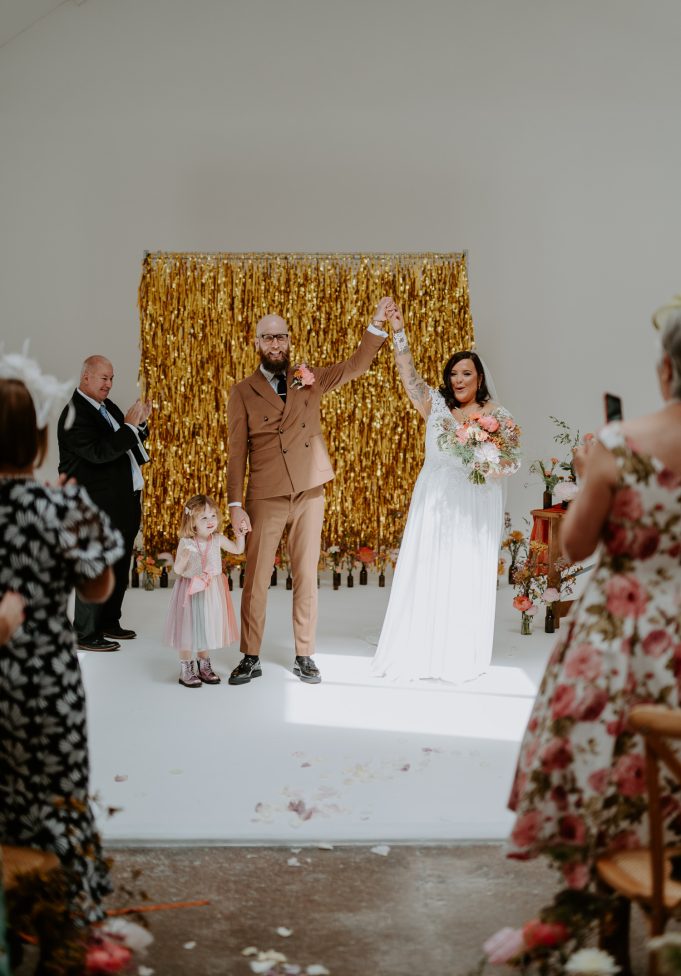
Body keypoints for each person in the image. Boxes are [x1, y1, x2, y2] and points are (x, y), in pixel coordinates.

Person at [507, 309, 681, 948]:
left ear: (665, 370)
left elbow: (572, 548)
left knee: (610, 770)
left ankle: (605, 932)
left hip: (621, 641)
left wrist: (589, 479)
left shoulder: (618, 444)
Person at [0, 354, 124, 925]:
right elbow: (98, 590)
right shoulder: (62, 505)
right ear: (42, 439)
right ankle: (68, 924)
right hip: (48, 685)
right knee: (61, 798)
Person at [227, 300, 391, 685]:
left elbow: (356, 365)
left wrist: (376, 324)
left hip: (308, 490)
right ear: (256, 343)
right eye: (268, 337)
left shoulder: (309, 377)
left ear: (289, 340)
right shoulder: (243, 391)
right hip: (265, 494)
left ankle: (305, 654)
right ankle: (250, 655)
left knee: (305, 575)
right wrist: (235, 504)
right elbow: (237, 453)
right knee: (256, 579)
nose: (276, 344)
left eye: (281, 336)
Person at [371, 302, 520, 683]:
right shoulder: (434, 404)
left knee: (466, 572)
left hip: (474, 501)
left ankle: (459, 652)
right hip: (435, 497)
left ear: (480, 377)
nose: (458, 379)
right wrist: (398, 331)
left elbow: (508, 463)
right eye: (453, 373)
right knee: (430, 568)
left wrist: (486, 461)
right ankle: (421, 648)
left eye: (466, 373)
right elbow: (407, 373)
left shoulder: (498, 416)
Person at [57, 355, 151, 652]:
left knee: (119, 565)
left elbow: (126, 439)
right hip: (92, 506)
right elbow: (100, 452)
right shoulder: (74, 414)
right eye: (103, 378)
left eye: (111, 378)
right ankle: (84, 634)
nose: (109, 384)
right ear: (85, 377)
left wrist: (141, 424)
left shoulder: (105, 407)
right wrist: (130, 428)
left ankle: (109, 622)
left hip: (121, 502)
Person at [163, 494, 244, 687]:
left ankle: (204, 665)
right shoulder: (187, 542)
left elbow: (237, 550)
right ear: (192, 522)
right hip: (190, 590)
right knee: (188, 627)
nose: (210, 521)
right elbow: (177, 571)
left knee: (205, 627)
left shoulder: (217, 539)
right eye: (203, 518)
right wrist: (182, 558)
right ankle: (186, 667)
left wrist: (240, 534)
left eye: (213, 516)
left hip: (211, 591)